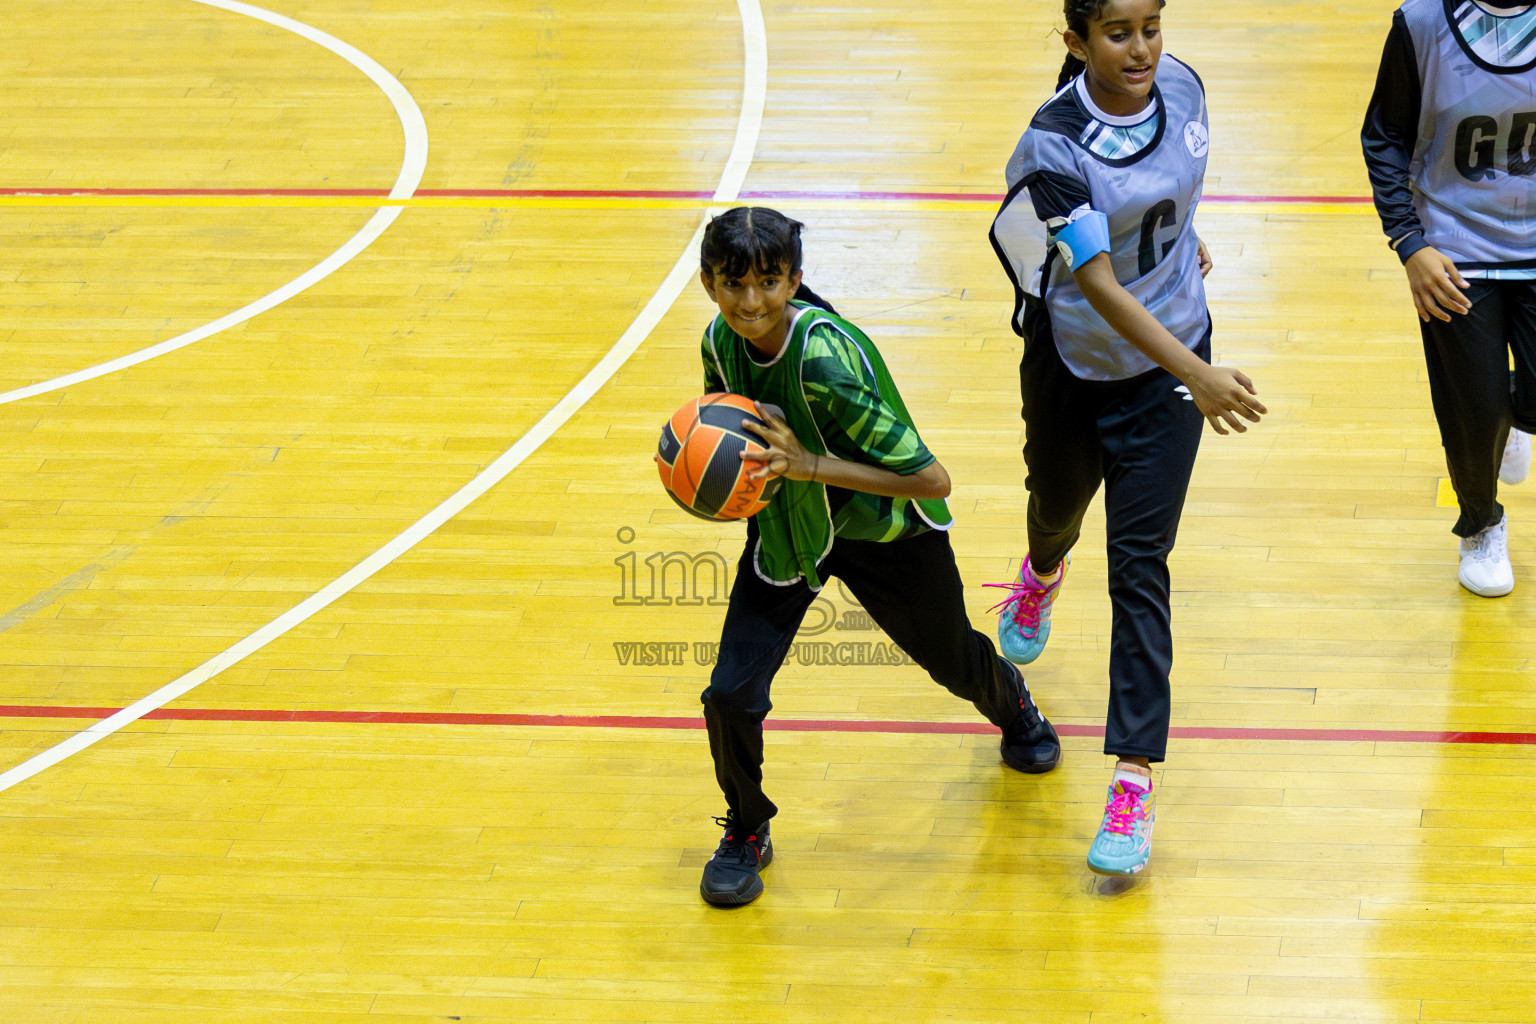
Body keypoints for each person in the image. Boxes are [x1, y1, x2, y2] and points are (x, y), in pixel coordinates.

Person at [689, 206, 1061, 907]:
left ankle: (1012, 706)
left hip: (887, 529)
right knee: (729, 694)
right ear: (708, 284)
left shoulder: (827, 361)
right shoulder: (719, 341)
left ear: (795, 281)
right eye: (732, 283)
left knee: (952, 660)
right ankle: (745, 826)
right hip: (790, 528)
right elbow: (732, 428)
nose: (750, 301)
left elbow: (931, 479)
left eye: (769, 282)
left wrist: (808, 466)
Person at [987, 0, 1266, 875]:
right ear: (1077, 42)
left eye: (1151, 25)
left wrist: (1184, 241)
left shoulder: (1184, 90)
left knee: (1141, 565)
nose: (1141, 48)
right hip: (1076, 365)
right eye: (1118, 33)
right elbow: (1100, 282)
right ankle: (1039, 575)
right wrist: (1200, 373)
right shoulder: (1053, 144)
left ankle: (1133, 781)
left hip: (1166, 375)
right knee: (1055, 510)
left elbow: (1167, 203)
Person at [1361, 0, 1536, 598]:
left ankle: (1514, 418)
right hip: (1454, 249)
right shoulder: (1420, 24)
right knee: (1472, 411)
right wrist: (1410, 244)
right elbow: (1383, 136)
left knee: (1517, 404)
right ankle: (1482, 524)